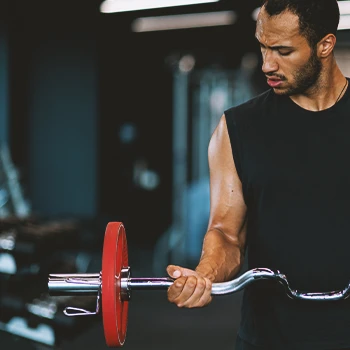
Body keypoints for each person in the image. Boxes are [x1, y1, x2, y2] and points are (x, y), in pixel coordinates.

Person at [166, 0, 350, 349]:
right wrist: (205, 275)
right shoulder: (237, 129)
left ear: (324, 45)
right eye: (263, 46)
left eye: (282, 50)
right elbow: (227, 234)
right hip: (269, 339)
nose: (267, 64)